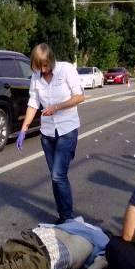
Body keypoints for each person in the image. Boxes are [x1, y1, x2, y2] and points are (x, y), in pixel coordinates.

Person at [16, 43, 85, 223]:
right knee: (55, 177)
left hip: (67, 130)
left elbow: (79, 96)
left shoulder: (66, 70)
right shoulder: (36, 77)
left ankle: (68, 218)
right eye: (38, 67)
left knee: (58, 175)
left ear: (51, 61)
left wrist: (56, 107)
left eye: (45, 66)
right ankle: (63, 215)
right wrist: (24, 129)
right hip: (47, 133)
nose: (43, 70)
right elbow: (33, 103)